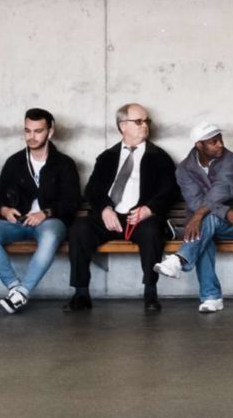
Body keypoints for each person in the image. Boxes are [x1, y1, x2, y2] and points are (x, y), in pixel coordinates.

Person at [66, 103, 178, 312]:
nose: (144, 125)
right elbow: (93, 189)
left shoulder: (159, 157)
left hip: (140, 217)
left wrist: (149, 209)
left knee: (153, 231)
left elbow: (171, 190)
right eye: (138, 121)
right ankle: (81, 294)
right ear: (122, 126)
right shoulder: (107, 157)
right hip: (110, 216)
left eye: (147, 121)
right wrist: (105, 209)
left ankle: (150, 293)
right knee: (79, 228)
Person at [0, 108, 80, 314]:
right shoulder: (15, 162)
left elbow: (72, 201)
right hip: (17, 222)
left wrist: (45, 213)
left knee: (50, 235)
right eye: (27, 131)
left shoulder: (64, 164)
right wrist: (5, 210)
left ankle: (23, 291)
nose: (31, 137)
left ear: (50, 132)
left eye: (38, 131)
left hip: (49, 222)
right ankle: (15, 288)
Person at [153, 122, 233, 313]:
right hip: (207, 225)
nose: (220, 145)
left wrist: (201, 215)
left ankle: (179, 260)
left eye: (220, 139)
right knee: (204, 236)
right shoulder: (184, 169)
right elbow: (194, 201)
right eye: (213, 142)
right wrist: (215, 212)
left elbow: (222, 190)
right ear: (199, 145)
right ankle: (212, 299)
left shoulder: (230, 159)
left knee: (205, 222)